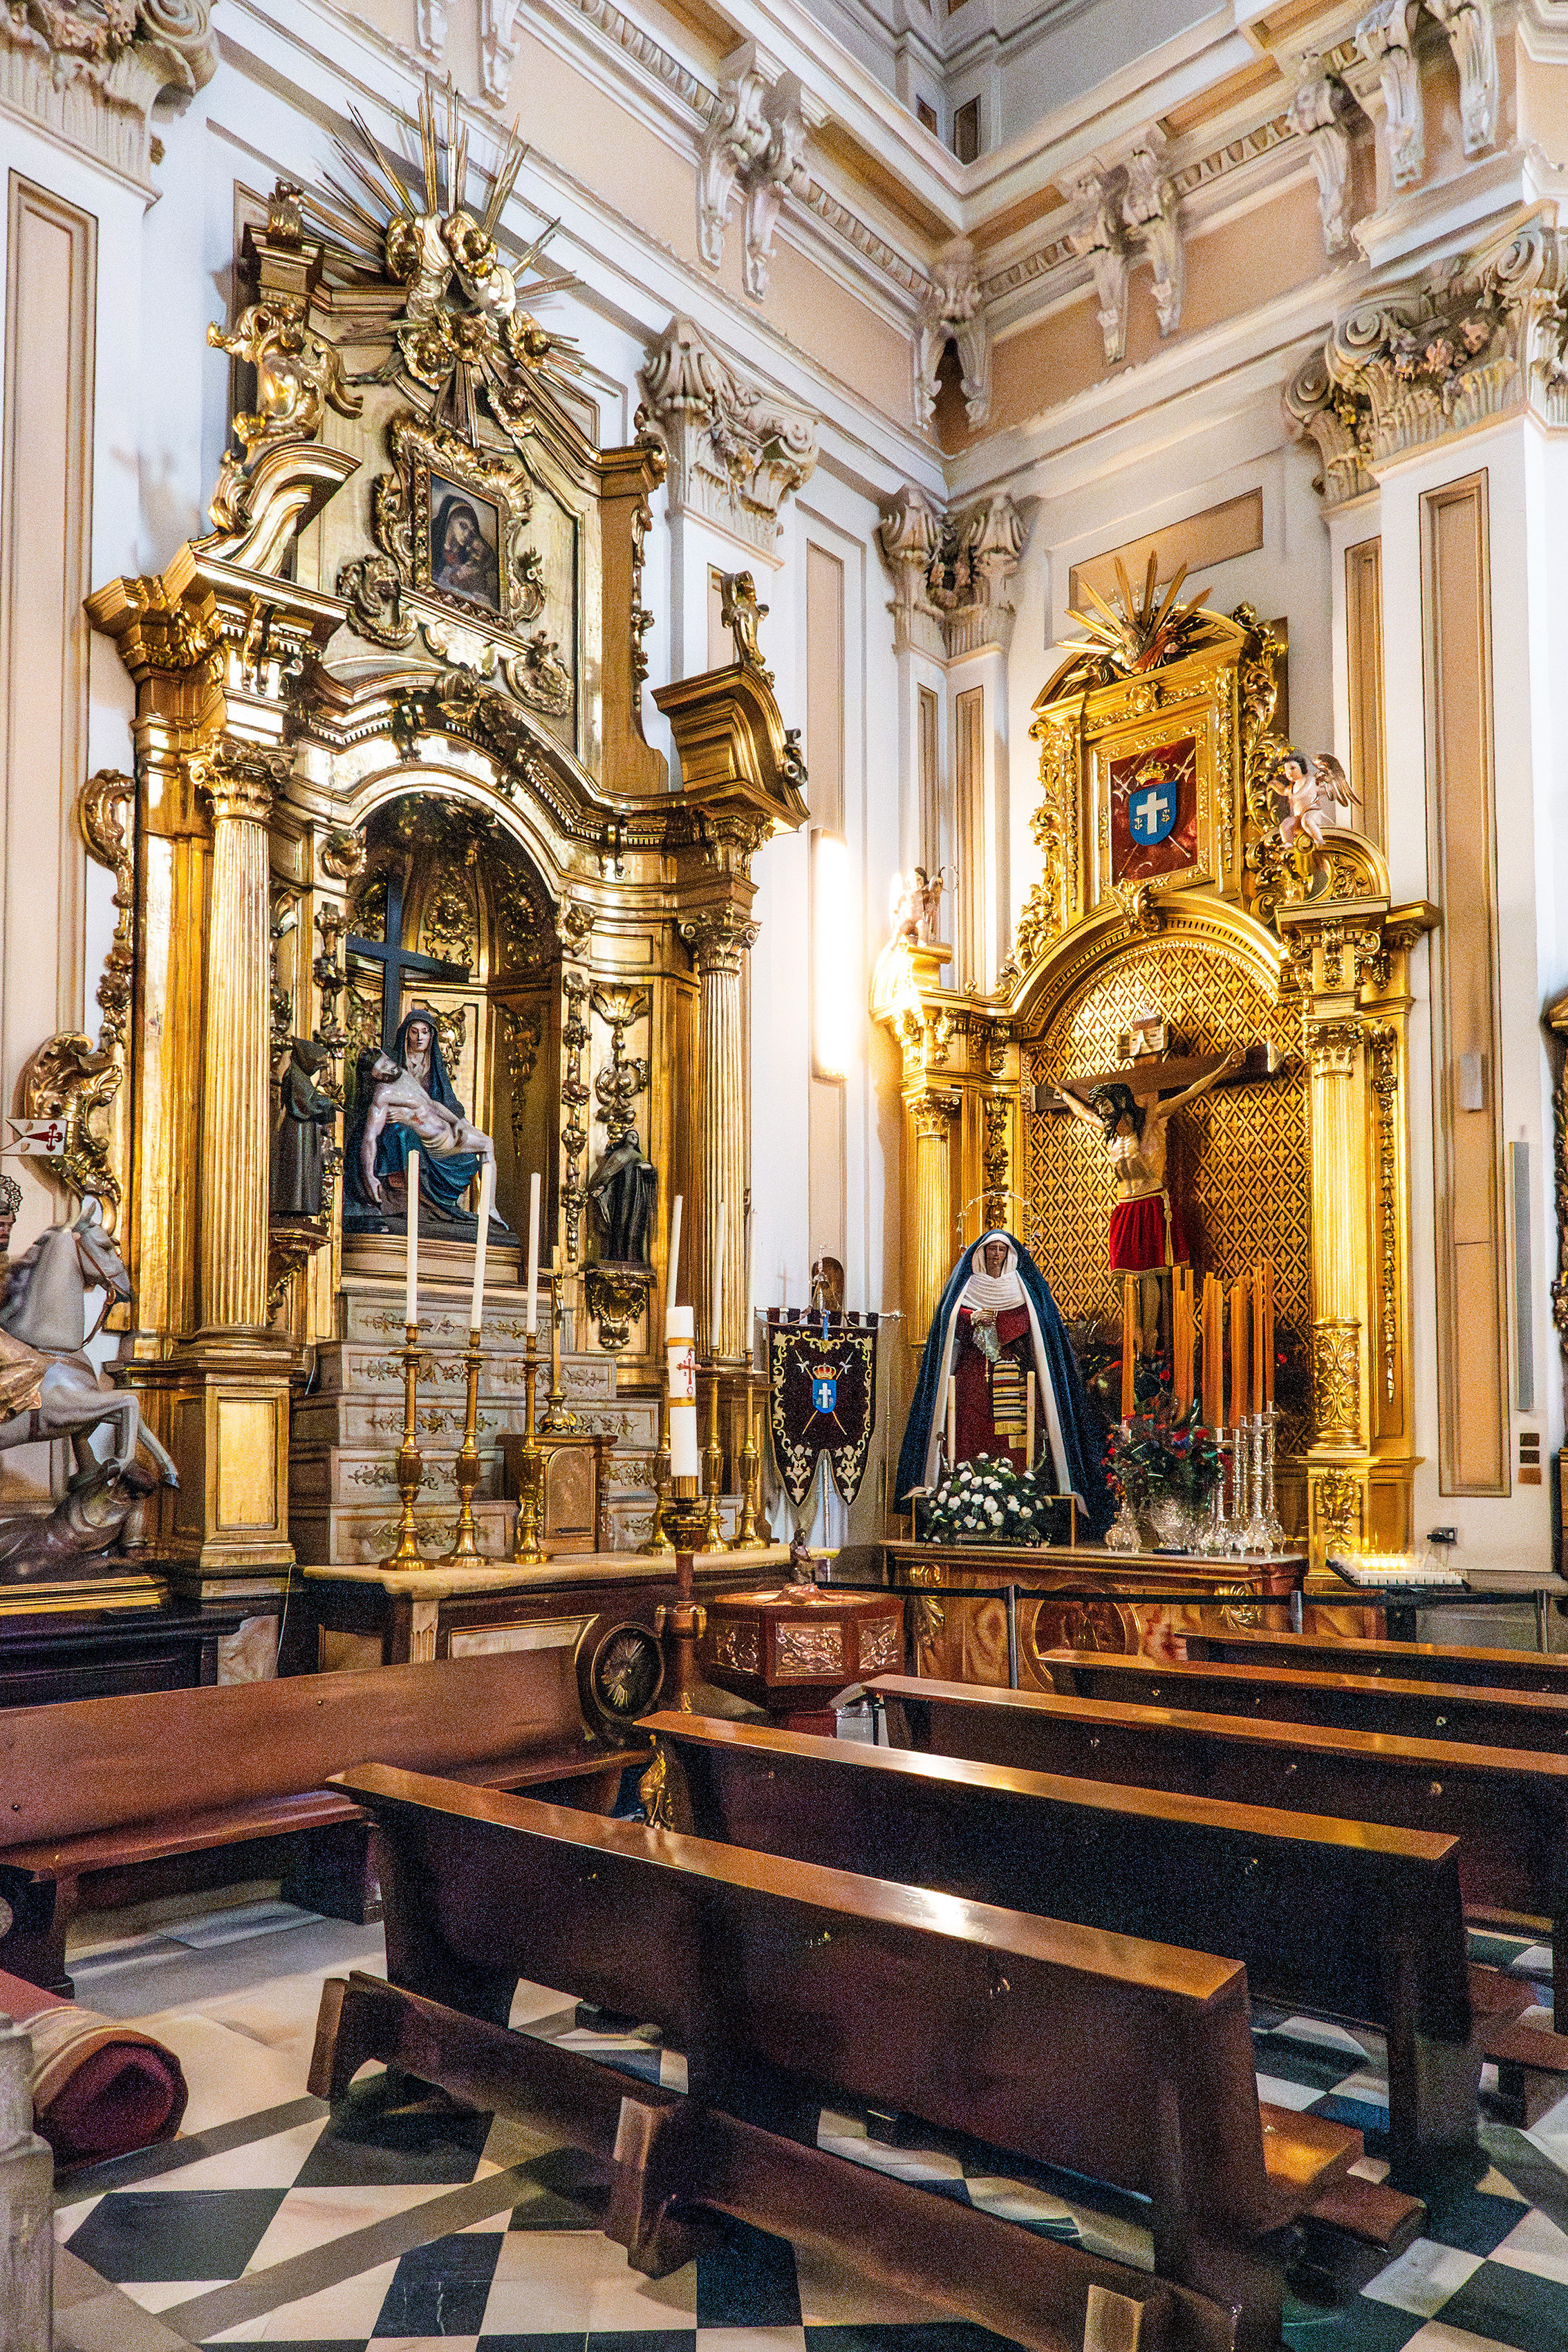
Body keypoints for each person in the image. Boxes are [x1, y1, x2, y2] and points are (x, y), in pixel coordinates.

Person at [896, 1229, 1112, 1534]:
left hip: (1014, 1375)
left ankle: (1017, 1496)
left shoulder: (1023, 1286)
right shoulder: (967, 1284)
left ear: (1009, 1254)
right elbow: (949, 1318)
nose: (995, 1254)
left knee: (1015, 1440)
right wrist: (970, 1317)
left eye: (1000, 1249)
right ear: (981, 1254)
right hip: (972, 1375)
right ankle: (964, 1495)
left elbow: (1037, 1320)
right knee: (969, 1432)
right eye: (991, 1249)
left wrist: (998, 1322)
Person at [353, 1006, 496, 1223]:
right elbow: (370, 1137)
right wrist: (369, 1176)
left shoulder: (407, 1073)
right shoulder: (386, 1090)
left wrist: (459, 1122)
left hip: (443, 1130)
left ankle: (490, 1209)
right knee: (402, 1132)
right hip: (420, 1136)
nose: (420, 1037)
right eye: (414, 1031)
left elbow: (438, 1103)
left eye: (425, 1032)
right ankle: (411, 1197)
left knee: (487, 1143)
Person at [432, 493, 500, 609]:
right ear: (449, 521)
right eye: (463, 526)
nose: (467, 534)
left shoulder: (468, 557)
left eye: (471, 530)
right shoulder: (434, 545)